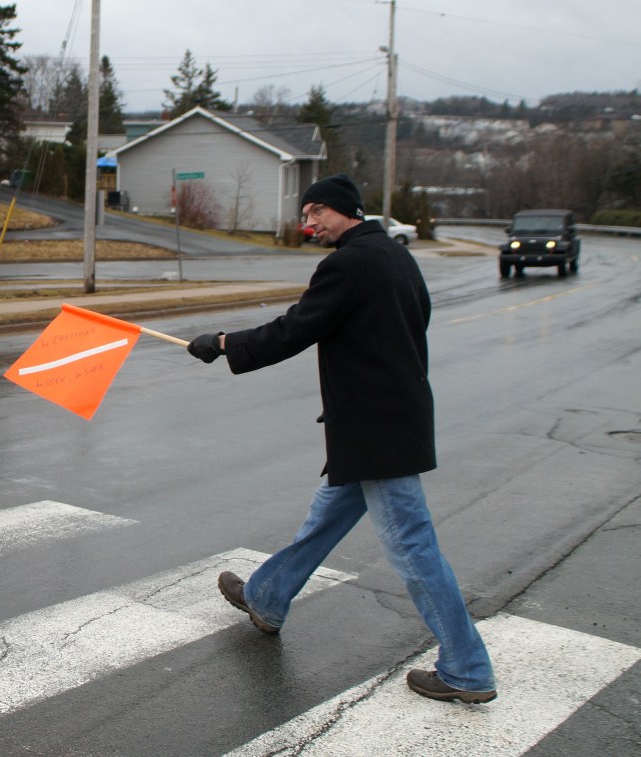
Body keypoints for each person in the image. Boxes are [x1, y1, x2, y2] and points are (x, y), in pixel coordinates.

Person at [187, 174, 496, 704]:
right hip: (387, 421)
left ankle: (467, 670)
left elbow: (295, 328)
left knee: (414, 549)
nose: (308, 225)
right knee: (325, 519)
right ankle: (267, 596)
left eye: (315, 214)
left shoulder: (349, 263)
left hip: (376, 432)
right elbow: (411, 322)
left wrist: (222, 343)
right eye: (304, 216)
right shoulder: (396, 257)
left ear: (343, 210)